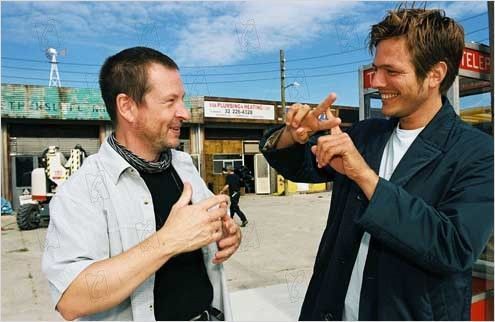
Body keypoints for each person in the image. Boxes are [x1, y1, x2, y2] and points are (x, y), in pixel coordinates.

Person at [260, 7, 493, 321]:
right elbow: (299, 165)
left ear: (435, 75)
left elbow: (453, 247)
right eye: (375, 68)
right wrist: (293, 135)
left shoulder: (478, 152)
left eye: (392, 71)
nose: (377, 81)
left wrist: (365, 176)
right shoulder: (366, 134)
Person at [42, 47, 242, 321]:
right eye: (170, 101)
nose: (183, 112)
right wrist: (166, 241)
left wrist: (226, 235)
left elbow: (207, 230)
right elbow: (71, 298)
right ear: (128, 107)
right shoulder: (82, 190)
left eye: (182, 99)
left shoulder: (184, 166)